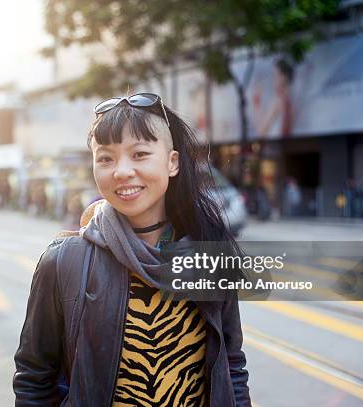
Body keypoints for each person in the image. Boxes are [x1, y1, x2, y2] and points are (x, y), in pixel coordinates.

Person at [13, 93, 251, 406]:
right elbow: (34, 378)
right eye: (106, 158)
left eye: (139, 154)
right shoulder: (63, 261)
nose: (121, 171)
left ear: (173, 162)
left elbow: (231, 367)